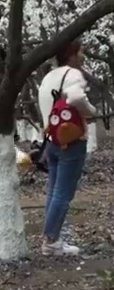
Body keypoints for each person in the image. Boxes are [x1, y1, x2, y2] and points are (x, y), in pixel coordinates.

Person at [37, 40, 96, 256]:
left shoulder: (47, 78)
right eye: (80, 51)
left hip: (52, 141)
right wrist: (90, 111)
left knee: (54, 191)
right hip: (71, 141)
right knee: (63, 192)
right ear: (70, 54)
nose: (82, 55)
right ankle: (50, 241)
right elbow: (77, 97)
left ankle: (52, 237)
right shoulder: (73, 74)